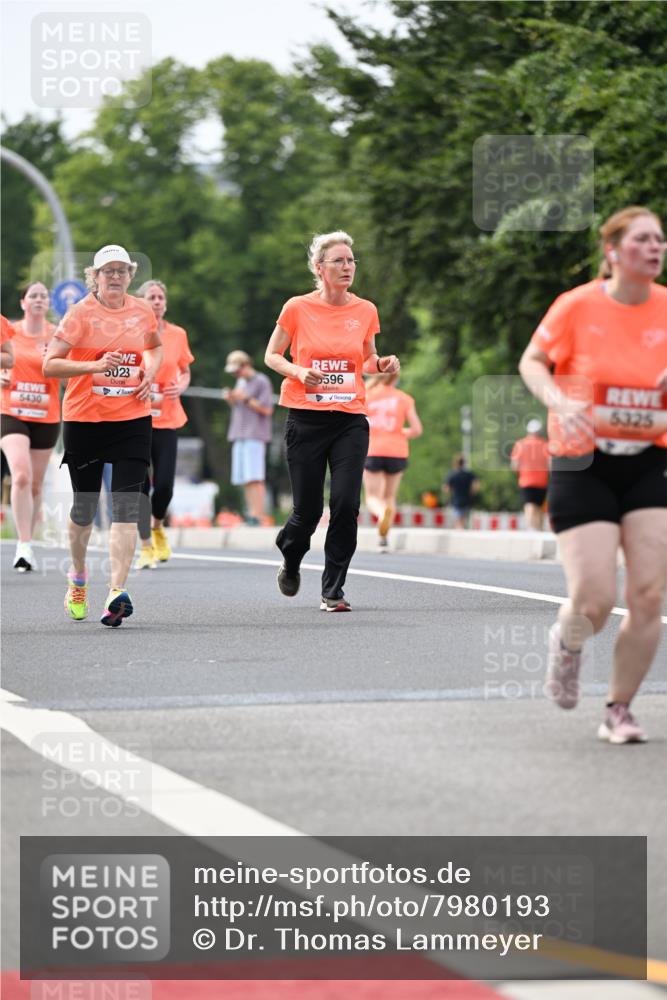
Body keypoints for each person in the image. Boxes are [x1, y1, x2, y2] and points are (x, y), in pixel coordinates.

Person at [518, 205, 667, 744]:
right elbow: (532, 361)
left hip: (650, 460)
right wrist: (559, 398)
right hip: (583, 460)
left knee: (649, 594)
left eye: (660, 240)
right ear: (613, 252)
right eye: (642, 240)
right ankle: (569, 639)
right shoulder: (577, 305)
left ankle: (619, 709)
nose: (655, 248)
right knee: (596, 599)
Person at [264, 230, 400, 611]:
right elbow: (271, 355)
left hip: (349, 419)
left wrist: (383, 364)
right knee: (306, 513)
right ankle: (290, 556)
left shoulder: (365, 310)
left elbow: (367, 360)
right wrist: (296, 371)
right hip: (306, 419)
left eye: (351, 261)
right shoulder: (296, 307)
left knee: (344, 503)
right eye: (338, 261)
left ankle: (332, 590)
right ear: (319, 268)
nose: (347, 267)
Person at [43, 245, 162, 626]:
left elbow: (155, 348)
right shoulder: (79, 315)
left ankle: (116, 591)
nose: (114, 276)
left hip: (132, 420)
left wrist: (150, 373)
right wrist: (93, 365)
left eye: (121, 270)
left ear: (130, 275)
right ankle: (78, 577)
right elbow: (50, 365)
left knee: (127, 506)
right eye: (106, 271)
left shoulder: (142, 311)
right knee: (85, 507)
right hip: (85, 422)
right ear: (93, 277)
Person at [134, 280, 194, 568]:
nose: (156, 301)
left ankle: (157, 526)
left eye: (160, 297)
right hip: (135, 417)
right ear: (141, 302)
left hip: (168, 417)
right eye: (151, 297)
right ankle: (145, 545)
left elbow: (185, 371)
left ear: (165, 303)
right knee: (139, 485)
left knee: (166, 484)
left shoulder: (178, 334)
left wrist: (180, 387)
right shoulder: (132, 333)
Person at [0, 284, 60, 571]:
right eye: (33, 295)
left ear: (48, 303)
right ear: (23, 302)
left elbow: (73, 375)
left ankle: (29, 541)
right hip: (11, 411)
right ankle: (23, 546)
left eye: (43, 296)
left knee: (35, 483)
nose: (39, 299)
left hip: (46, 415)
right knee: (21, 475)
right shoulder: (9, 331)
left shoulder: (57, 334)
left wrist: (57, 360)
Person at [363, 372, 422, 549]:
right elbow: (417, 430)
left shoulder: (367, 395)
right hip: (397, 451)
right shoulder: (404, 399)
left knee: (372, 496)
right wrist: (400, 432)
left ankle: (382, 515)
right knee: (389, 496)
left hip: (373, 448)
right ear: (395, 378)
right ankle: (384, 538)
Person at [223, 349, 274, 525]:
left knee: (255, 477)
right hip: (239, 433)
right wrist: (231, 398)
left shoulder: (261, 381)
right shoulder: (241, 382)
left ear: (245, 365)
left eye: (237, 371)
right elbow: (238, 406)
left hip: (255, 434)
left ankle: (259, 515)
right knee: (245, 478)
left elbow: (267, 409)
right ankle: (251, 514)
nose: (236, 374)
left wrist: (245, 399)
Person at [510, 418, 550, 530]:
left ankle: (531, 529)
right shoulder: (545, 445)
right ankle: (539, 529)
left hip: (526, 481)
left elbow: (514, 466)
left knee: (529, 505)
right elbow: (550, 465)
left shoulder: (520, 444)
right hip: (542, 482)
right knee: (539, 508)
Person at [443, 455, 479, 529]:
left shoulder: (452, 474)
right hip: (467, 500)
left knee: (457, 521)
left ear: (455, 463)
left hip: (456, 500)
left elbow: (446, 488)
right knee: (464, 520)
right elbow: (477, 482)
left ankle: (459, 532)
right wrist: (473, 491)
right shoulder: (469, 474)